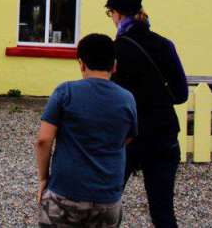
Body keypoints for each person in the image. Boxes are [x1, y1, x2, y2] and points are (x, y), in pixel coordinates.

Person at [105, 0, 189, 228]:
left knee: (106, 203)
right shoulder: (164, 44)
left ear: (118, 14)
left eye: (110, 13)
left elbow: (113, 99)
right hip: (163, 134)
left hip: (128, 138)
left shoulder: (116, 50)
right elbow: (181, 93)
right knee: (163, 212)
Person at [35, 33, 137, 228]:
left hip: (65, 192)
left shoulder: (65, 92)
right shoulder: (127, 99)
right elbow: (128, 138)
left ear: (81, 64)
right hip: (107, 198)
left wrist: (43, 178)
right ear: (114, 65)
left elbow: (43, 140)